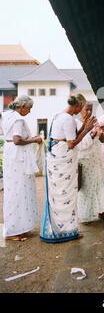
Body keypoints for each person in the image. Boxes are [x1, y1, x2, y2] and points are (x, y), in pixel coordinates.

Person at [40, 94, 96, 243]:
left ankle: (59, 229)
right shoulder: (68, 119)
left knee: (58, 194)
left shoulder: (59, 115)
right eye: (82, 107)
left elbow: (69, 137)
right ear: (77, 106)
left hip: (56, 155)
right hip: (63, 158)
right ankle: (66, 230)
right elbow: (71, 143)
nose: (82, 110)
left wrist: (84, 126)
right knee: (67, 193)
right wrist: (87, 130)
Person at [2, 95, 43, 241]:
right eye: (29, 108)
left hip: (10, 155)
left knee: (13, 191)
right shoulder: (18, 119)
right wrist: (35, 139)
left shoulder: (7, 116)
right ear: (22, 106)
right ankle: (14, 230)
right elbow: (17, 140)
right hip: (18, 157)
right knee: (20, 191)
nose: (30, 111)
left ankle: (15, 226)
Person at [75, 102, 104, 222]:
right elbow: (80, 145)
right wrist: (92, 133)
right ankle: (85, 215)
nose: (89, 112)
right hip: (85, 159)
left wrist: (100, 133)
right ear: (80, 110)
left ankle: (102, 210)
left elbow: (102, 140)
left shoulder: (94, 122)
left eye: (91, 109)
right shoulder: (76, 124)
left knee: (100, 184)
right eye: (87, 109)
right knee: (87, 188)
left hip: (96, 158)